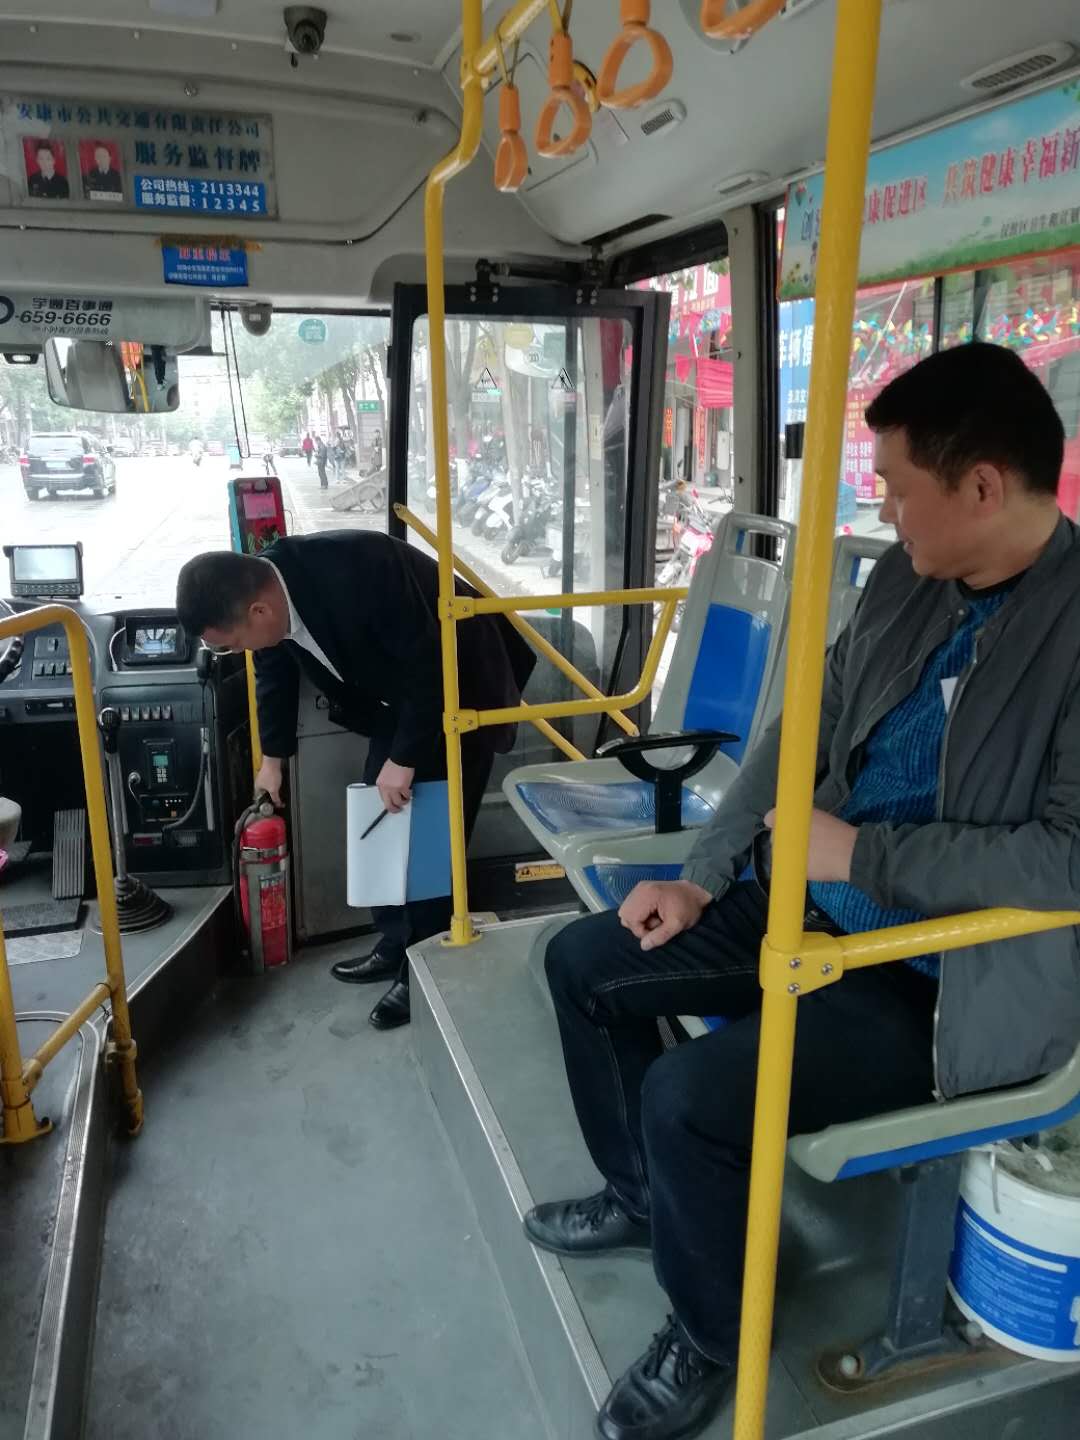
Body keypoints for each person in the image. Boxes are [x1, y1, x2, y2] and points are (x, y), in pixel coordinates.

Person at [524, 343, 1080, 1440]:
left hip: (941, 979)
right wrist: (701, 876)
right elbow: (804, 730)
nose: (886, 511)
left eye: (899, 490)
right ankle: (647, 1201)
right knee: (585, 962)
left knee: (686, 1100)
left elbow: (1064, 860)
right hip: (808, 901)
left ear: (981, 486)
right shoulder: (907, 583)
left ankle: (711, 1334)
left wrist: (859, 857)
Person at [176, 532, 535, 1029]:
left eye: (232, 644)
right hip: (400, 697)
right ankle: (396, 943)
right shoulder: (267, 597)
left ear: (259, 611)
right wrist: (273, 758)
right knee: (381, 820)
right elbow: (272, 667)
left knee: (428, 841)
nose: (236, 652)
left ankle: (423, 971)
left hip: (462, 687)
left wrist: (405, 758)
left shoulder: (362, 572)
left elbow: (432, 663)